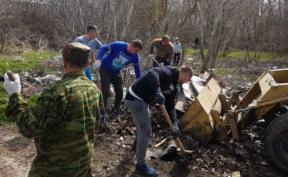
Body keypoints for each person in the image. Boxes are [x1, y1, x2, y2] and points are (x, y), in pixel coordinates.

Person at [3, 42, 104, 177]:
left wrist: (15, 94)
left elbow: (29, 128)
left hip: (54, 169)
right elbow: (95, 124)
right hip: (82, 167)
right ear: (87, 64)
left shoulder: (58, 93)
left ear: (64, 62)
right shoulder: (94, 90)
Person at [125, 65, 193, 176]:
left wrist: (174, 124)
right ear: (185, 73)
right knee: (146, 131)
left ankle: (138, 143)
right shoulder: (168, 72)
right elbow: (152, 72)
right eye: (189, 78)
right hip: (135, 97)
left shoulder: (175, 86)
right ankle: (140, 165)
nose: (188, 81)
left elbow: (170, 107)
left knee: (142, 125)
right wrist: (157, 91)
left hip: (144, 100)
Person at [97, 40, 143, 117]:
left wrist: (140, 80)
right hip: (105, 69)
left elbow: (137, 69)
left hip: (116, 72)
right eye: (136, 50)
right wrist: (99, 60)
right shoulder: (118, 45)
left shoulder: (135, 57)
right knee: (105, 91)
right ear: (132, 46)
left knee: (120, 92)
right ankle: (102, 112)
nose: (137, 53)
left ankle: (115, 110)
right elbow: (103, 48)